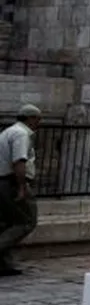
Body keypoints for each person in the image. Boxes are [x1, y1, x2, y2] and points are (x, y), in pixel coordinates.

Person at [0, 104, 41, 277]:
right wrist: (22, 186)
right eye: (38, 119)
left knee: (6, 222)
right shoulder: (21, 134)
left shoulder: (8, 131)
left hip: (3, 181)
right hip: (11, 183)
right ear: (30, 118)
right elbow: (19, 161)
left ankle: (3, 264)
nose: (38, 123)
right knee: (26, 221)